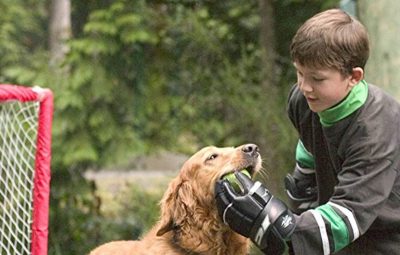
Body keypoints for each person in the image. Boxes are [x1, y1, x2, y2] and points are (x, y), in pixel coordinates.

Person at [215, 8, 400, 254]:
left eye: (317, 78)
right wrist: (303, 194)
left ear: (354, 77)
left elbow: (349, 214)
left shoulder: (376, 131)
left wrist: (278, 224)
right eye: (299, 73)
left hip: (386, 239)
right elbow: (310, 145)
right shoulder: (303, 102)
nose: (304, 86)